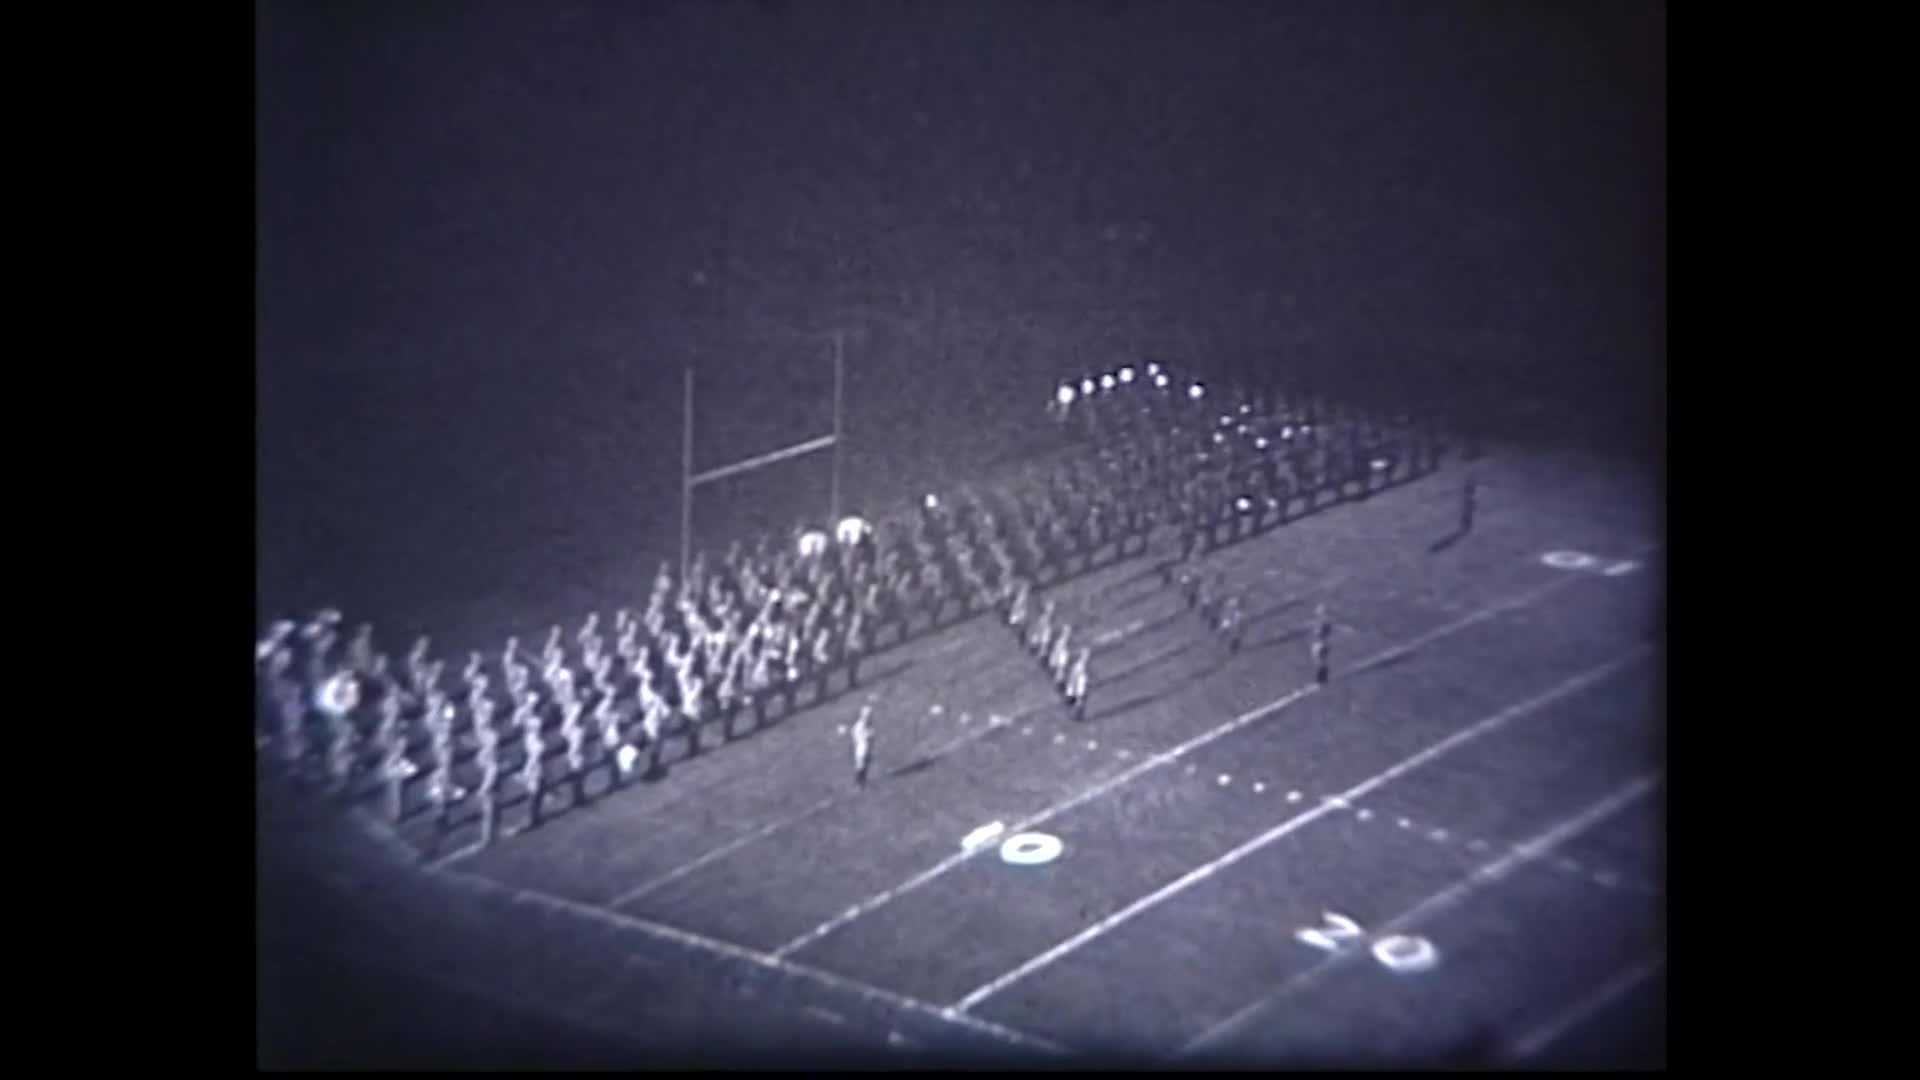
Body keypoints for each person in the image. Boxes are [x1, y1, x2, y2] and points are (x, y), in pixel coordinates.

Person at [850, 703, 875, 788]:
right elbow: (855, 734)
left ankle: (862, 781)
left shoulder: (869, 724)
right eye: (867, 715)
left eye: (869, 715)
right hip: (861, 748)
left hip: (867, 748)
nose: (869, 717)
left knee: (866, 764)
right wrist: (867, 735)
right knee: (861, 764)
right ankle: (859, 782)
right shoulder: (859, 725)